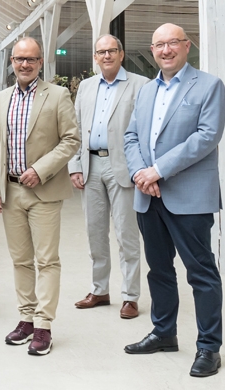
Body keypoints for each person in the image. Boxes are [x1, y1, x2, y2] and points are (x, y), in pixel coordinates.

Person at [120, 23, 225, 378]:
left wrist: (158, 170)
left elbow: (206, 137)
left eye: (173, 43)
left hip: (189, 197)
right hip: (148, 196)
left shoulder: (209, 86)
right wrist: (140, 173)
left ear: (187, 46)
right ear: (152, 50)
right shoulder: (146, 91)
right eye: (159, 45)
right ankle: (164, 333)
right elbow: (132, 135)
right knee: (160, 270)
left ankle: (209, 347)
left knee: (201, 272)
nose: (166, 50)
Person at [0, 37, 80, 356]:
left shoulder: (58, 95)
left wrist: (41, 169)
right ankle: (25, 318)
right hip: (10, 192)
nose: (24, 65)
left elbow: (71, 139)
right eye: (19, 59)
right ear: (11, 62)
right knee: (21, 260)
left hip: (44, 191)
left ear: (40, 63)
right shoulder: (0, 99)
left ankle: (43, 326)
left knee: (47, 260)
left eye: (31, 59)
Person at [68, 35, 149, 320]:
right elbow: (75, 128)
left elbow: (144, 131)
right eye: (101, 52)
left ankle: (130, 296)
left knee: (127, 234)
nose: (106, 56)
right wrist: (74, 165)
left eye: (111, 51)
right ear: (95, 56)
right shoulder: (86, 87)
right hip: (90, 167)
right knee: (95, 233)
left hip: (123, 168)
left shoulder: (140, 85)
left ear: (121, 54)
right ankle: (100, 290)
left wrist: (141, 169)